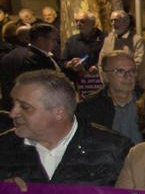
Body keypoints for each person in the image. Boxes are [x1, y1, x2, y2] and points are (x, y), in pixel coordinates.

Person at [0, 70, 131, 186]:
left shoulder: (114, 149)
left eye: (25, 107)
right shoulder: (4, 148)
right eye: (13, 104)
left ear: (59, 112)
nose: (12, 113)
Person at [76, 50, 144, 145]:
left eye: (132, 71)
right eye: (120, 71)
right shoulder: (89, 108)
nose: (128, 76)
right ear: (105, 76)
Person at [100, 10, 145, 89]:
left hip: (132, 85)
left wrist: (122, 78)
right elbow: (101, 61)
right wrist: (106, 79)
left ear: (126, 22)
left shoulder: (137, 40)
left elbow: (140, 64)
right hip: (111, 86)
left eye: (116, 20)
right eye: (111, 21)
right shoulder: (108, 40)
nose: (113, 23)